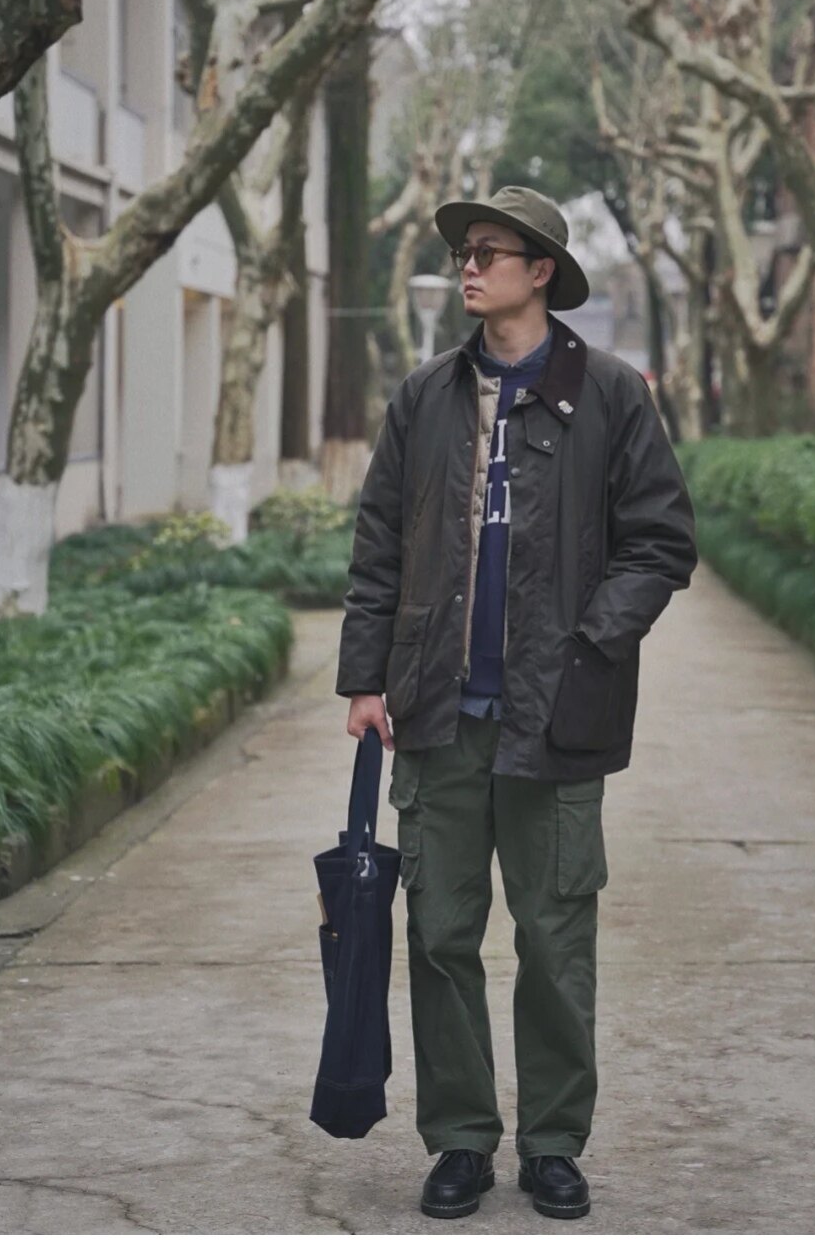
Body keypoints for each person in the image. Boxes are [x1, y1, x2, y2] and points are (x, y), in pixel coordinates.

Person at [337, 186, 697, 1221]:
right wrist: (365, 677)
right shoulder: (426, 397)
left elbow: (661, 540)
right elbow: (378, 542)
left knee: (554, 941)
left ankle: (551, 1144)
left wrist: (591, 645)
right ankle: (460, 1139)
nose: (469, 265)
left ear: (540, 272)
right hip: (438, 716)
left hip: (558, 718)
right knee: (440, 937)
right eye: (464, 251)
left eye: (489, 251)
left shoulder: (612, 393)